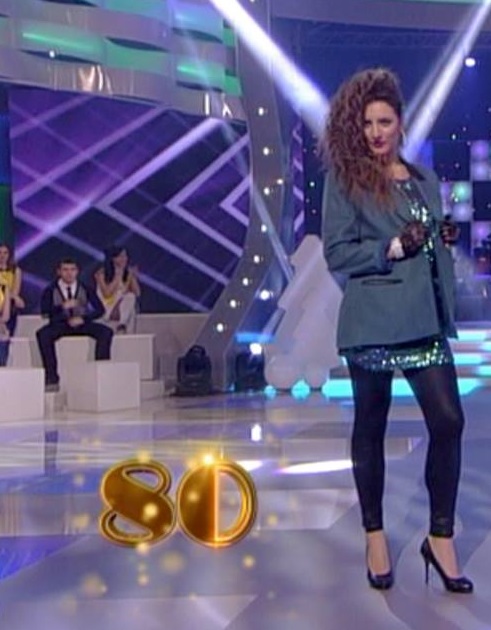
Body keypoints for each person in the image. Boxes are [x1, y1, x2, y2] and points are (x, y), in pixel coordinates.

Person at [320, 68, 472, 593]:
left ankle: (440, 538)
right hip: (373, 321)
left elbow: (424, 242)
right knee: (371, 426)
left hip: (424, 320)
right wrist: (391, 248)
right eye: (367, 123)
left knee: (448, 422)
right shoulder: (346, 180)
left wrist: (438, 239)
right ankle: (375, 536)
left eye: (384, 122)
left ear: (401, 123)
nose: (376, 132)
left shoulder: (423, 178)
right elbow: (337, 252)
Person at [37, 258, 113, 391]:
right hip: (60, 325)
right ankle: (51, 377)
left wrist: (83, 318)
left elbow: (100, 310)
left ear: (77, 271)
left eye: (72, 270)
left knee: (106, 332)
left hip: (81, 323)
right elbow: (45, 312)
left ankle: (102, 373)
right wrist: (61, 307)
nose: (69, 273)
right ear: (59, 272)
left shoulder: (85, 288)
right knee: (43, 335)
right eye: (65, 270)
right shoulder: (50, 289)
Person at [94, 246, 140, 334]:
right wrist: (117, 276)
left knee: (131, 298)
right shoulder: (101, 273)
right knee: (129, 299)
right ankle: (122, 325)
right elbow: (107, 294)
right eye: (121, 256)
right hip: (107, 307)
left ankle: (122, 325)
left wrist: (132, 276)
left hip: (122, 308)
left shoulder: (126, 273)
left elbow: (137, 293)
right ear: (113, 258)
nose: (124, 259)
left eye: (125, 256)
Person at [0, 243, 25, 337]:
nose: (2, 255)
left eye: (5, 253)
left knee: (14, 302)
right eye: (0, 253)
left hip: (9, 301)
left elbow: (15, 292)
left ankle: (8, 333)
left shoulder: (16, 271)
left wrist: (10, 296)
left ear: (9, 254)